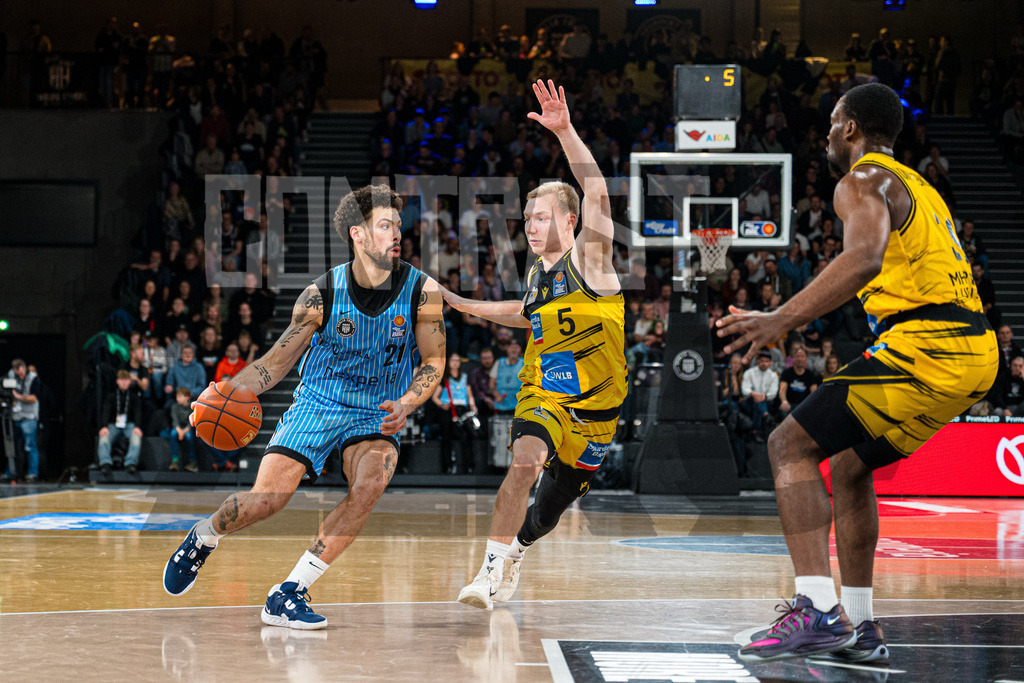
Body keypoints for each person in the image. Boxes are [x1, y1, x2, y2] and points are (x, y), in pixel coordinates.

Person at [717, 83, 999, 663]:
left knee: (787, 444)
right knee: (847, 468)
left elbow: (862, 257)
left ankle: (816, 610)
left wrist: (780, 319)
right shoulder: (919, 184)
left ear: (849, 129)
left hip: (931, 344)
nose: (825, 132)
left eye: (831, 122)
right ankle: (862, 626)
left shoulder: (861, 180)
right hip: (974, 349)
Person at [163, 184, 446, 631]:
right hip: (319, 401)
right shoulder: (320, 294)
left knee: (372, 481)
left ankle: (289, 592)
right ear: (358, 233)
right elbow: (275, 363)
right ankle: (205, 536)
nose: (397, 234)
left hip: (378, 409)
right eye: (385, 225)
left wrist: (409, 401)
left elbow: (433, 360)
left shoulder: (421, 291)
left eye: (397, 225)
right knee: (266, 502)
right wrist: (226, 392)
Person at [442, 80, 627, 610]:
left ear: (570, 222)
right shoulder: (537, 277)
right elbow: (526, 315)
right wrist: (463, 304)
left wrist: (565, 130)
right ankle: (486, 574)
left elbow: (597, 191)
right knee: (523, 463)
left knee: (546, 512)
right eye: (527, 217)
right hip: (543, 392)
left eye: (541, 216)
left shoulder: (590, 260)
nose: (530, 224)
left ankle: (516, 553)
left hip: (598, 408)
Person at [431, 352, 478, 474]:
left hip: (462, 410)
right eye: (453, 360)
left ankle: (468, 466)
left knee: (466, 436)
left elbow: (470, 395)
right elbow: (435, 397)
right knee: (446, 438)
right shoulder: (444, 379)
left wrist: (473, 406)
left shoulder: (464, 377)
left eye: (457, 360)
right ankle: (447, 467)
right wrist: (441, 404)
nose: (455, 363)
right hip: (448, 410)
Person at [97, 370, 144, 475]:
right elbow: (106, 411)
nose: (124, 382)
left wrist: (137, 426)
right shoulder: (111, 396)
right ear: (117, 381)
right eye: (121, 380)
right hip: (114, 424)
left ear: (129, 381)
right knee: (104, 437)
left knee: (136, 437)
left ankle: (131, 462)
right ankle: (105, 463)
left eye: (126, 380)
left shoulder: (134, 397)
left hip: (129, 424)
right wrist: (104, 426)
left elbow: (138, 412)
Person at [7, 359, 42, 482]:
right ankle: (10, 473)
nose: (19, 376)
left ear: (23, 367)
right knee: (12, 447)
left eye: (20, 373)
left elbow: (34, 398)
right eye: (16, 374)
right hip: (15, 416)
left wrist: (18, 397)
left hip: (29, 417)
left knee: (30, 446)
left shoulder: (33, 378)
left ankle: (33, 473)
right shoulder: (11, 375)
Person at [778, 347, 819, 418]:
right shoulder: (787, 372)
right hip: (789, 404)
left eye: (802, 356)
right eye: (798, 356)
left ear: (806, 359)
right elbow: (782, 390)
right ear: (794, 358)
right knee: (783, 408)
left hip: (803, 405)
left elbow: (814, 393)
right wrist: (784, 401)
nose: (800, 359)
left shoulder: (810, 375)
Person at [164, 387, 197, 471]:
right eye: (177, 396)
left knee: (189, 437)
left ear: (187, 397)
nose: (177, 398)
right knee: (173, 433)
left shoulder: (192, 407)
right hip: (178, 428)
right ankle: (175, 461)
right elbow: (175, 421)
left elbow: (192, 422)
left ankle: (193, 462)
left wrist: (184, 431)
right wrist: (179, 431)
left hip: (188, 428)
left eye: (180, 396)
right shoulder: (174, 406)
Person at [491, 340, 523, 414]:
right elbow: (491, 384)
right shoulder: (499, 362)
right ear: (507, 349)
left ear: (520, 349)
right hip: (501, 405)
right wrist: (497, 395)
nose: (513, 350)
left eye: (516, 347)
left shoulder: (524, 363)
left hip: (518, 404)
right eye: (511, 347)